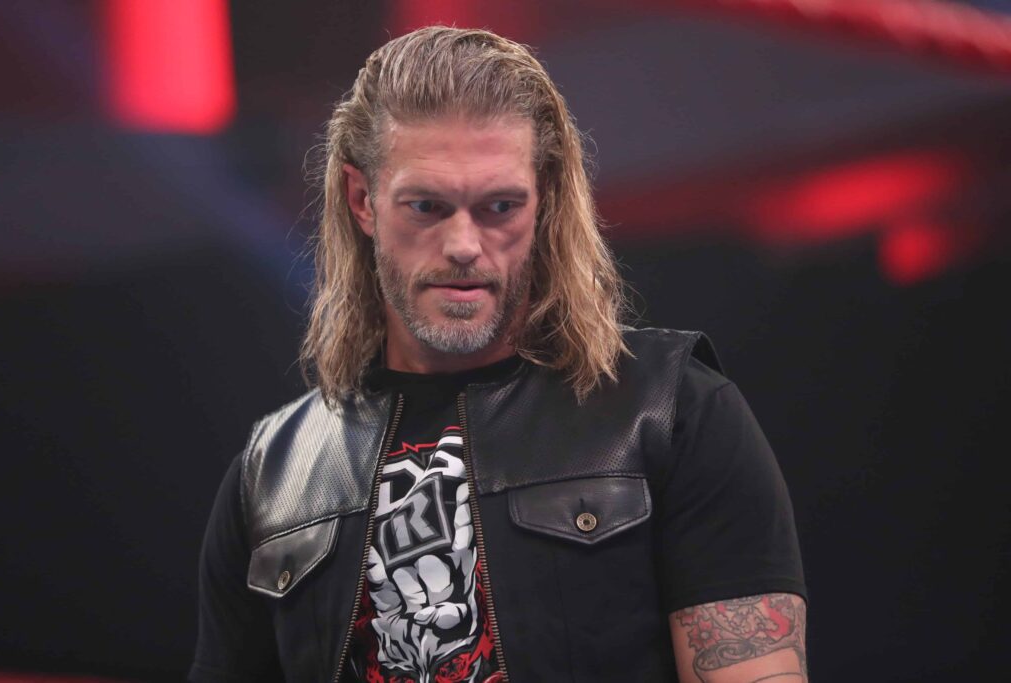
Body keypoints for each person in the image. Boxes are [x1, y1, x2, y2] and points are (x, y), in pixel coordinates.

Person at [190, 26, 807, 683]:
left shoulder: (672, 411)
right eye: (426, 205)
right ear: (362, 200)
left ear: (544, 201)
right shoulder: (275, 474)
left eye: (499, 206)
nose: (463, 244)